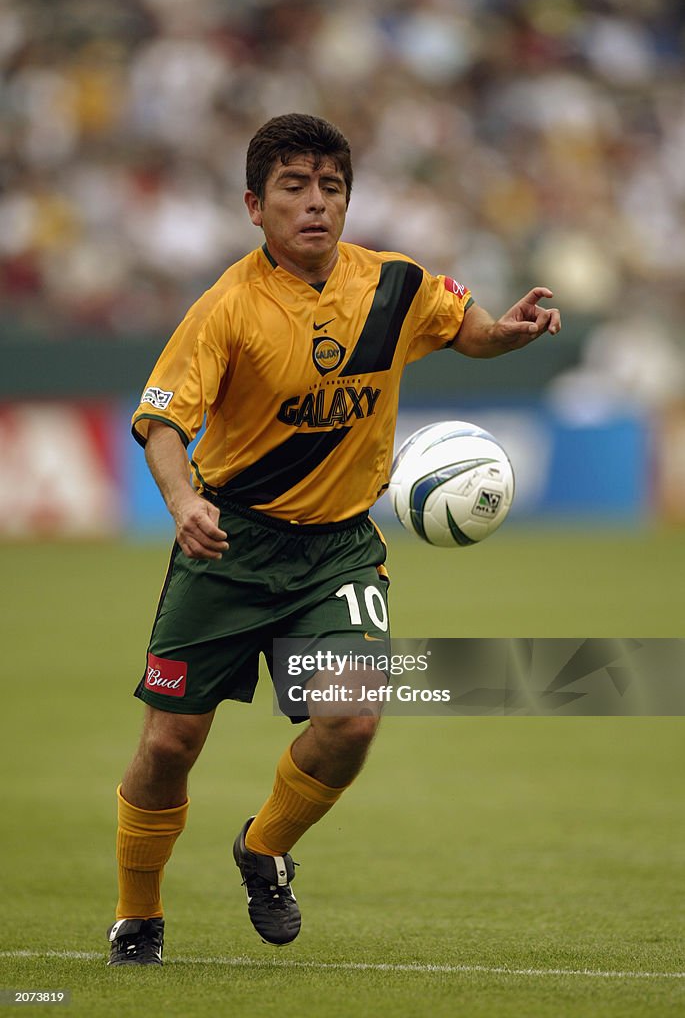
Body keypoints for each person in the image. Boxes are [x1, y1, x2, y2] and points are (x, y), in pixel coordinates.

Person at [107, 112, 561, 966]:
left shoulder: (393, 285)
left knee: (351, 719)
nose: (315, 204)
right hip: (230, 544)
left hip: (338, 551)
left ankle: (264, 847)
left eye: (330, 187)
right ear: (254, 204)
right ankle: (139, 914)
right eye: (293, 187)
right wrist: (180, 503)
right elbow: (162, 421)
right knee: (171, 743)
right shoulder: (226, 308)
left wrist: (504, 334)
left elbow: (465, 329)